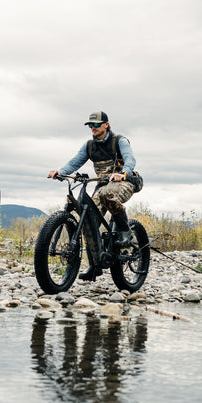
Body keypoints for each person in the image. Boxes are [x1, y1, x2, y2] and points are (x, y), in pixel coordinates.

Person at [48, 110, 137, 281]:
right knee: (88, 220)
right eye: (90, 125)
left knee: (107, 194)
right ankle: (94, 266)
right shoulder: (90, 145)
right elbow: (75, 161)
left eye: (96, 124)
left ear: (106, 125)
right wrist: (61, 172)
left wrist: (123, 173)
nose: (93, 128)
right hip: (103, 184)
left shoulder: (120, 141)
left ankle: (125, 229)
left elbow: (130, 159)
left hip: (124, 182)